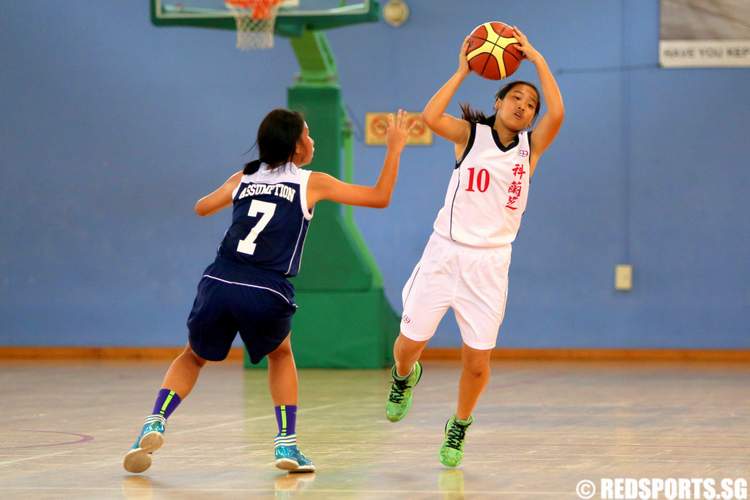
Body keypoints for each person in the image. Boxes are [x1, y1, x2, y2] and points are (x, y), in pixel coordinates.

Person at [124, 108, 413, 474]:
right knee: (280, 355)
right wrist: (395, 148)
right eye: (308, 135)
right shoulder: (312, 182)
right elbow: (379, 196)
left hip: (219, 280)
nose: (313, 140)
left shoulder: (244, 176)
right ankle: (287, 444)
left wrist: (235, 189)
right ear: (295, 147)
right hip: (265, 287)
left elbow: (201, 207)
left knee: (193, 356)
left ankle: (155, 421)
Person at [385, 27, 564, 467]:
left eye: (531, 104)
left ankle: (459, 425)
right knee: (408, 344)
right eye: (517, 98)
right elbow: (430, 116)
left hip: (490, 264)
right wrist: (462, 69)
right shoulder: (470, 135)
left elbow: (557, 115)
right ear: (498, 102)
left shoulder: (530, 148)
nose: (525, 107)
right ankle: (404, 377)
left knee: (478, 363)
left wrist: (537, 59)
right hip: (444, 253)